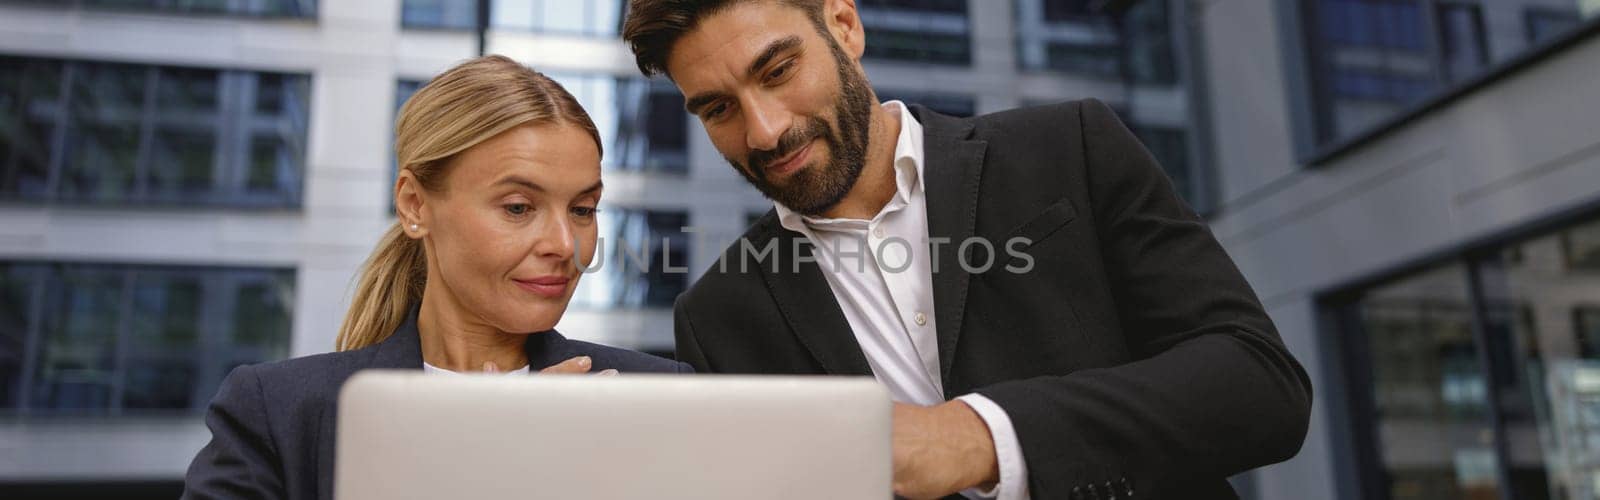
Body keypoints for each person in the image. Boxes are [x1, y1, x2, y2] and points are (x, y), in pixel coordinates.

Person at [621, 1, 1312, 498]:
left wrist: (979, 438)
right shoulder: (715, 318)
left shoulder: (1068, 148)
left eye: (776, 71)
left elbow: (1260, 387)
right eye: (717, 109)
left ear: (844, 26)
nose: (764, 131)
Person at [181, 55, 691, 500]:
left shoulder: (659, 398)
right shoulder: (277, 412)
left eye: (583, 209)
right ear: (414, 205)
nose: (565, 244)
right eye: (518, 207)